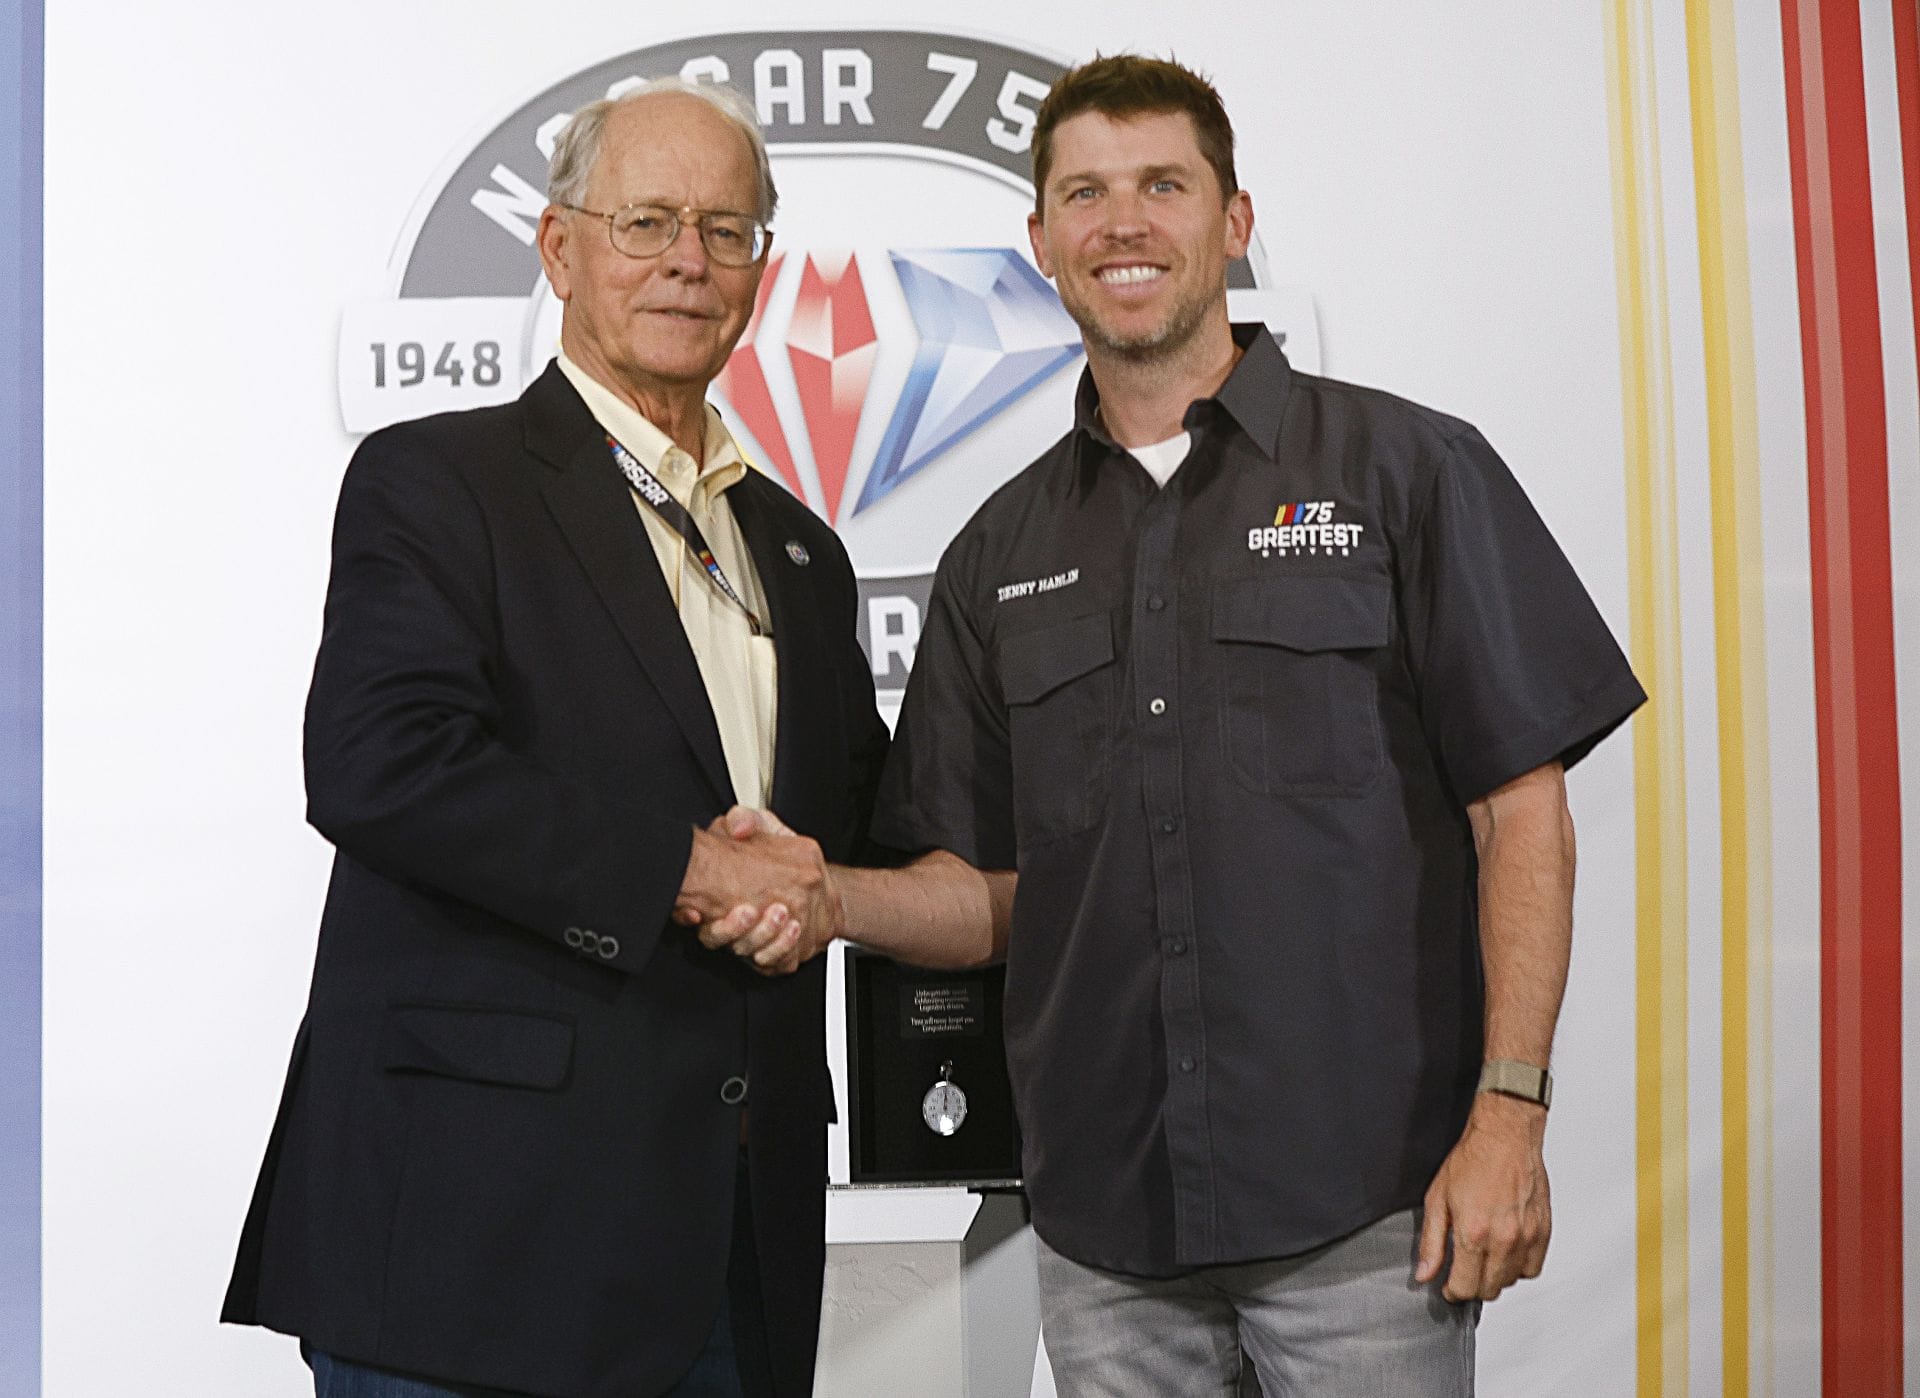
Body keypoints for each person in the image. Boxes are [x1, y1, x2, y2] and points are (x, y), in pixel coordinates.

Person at [697, 54, 1646, 1397]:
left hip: (1370, 1218)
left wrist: (1511, 1110)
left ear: (1235, 219)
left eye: (1162, 185)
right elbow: (986, 894)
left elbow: (1521, 812)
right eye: (1084, 192)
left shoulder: (1405, 471)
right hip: (1104, 1235)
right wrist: (823, 894)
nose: (1122, 224)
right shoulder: (997, 553)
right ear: (1041, 242)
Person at [222, 79, 888, 1398]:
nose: (688, 262)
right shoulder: (439, 480)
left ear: (763, 268)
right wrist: (697, 874)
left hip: (730, 1261)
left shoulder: (803, 552)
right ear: (560, 247)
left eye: (725, 228)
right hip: (478, 1250)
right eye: (645, 221)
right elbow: (382, 763)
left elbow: (856, 836)